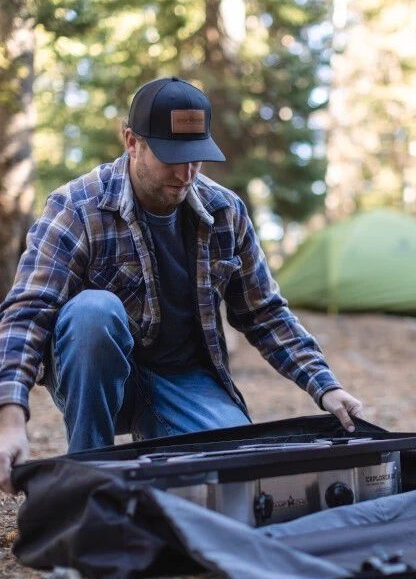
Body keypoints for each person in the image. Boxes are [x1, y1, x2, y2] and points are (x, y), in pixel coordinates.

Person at [0, 77, 363, 493]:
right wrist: (9, 419)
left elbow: (264, 312)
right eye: (171, 157)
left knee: (243, 480)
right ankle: (88, 476)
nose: (185, 173)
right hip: (97, 380)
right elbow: (28, 311)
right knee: (92, 312)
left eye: (195, 158)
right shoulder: (77, 207)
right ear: (131, 141)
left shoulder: (225, 211)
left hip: (185, 381)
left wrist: (325, 386)